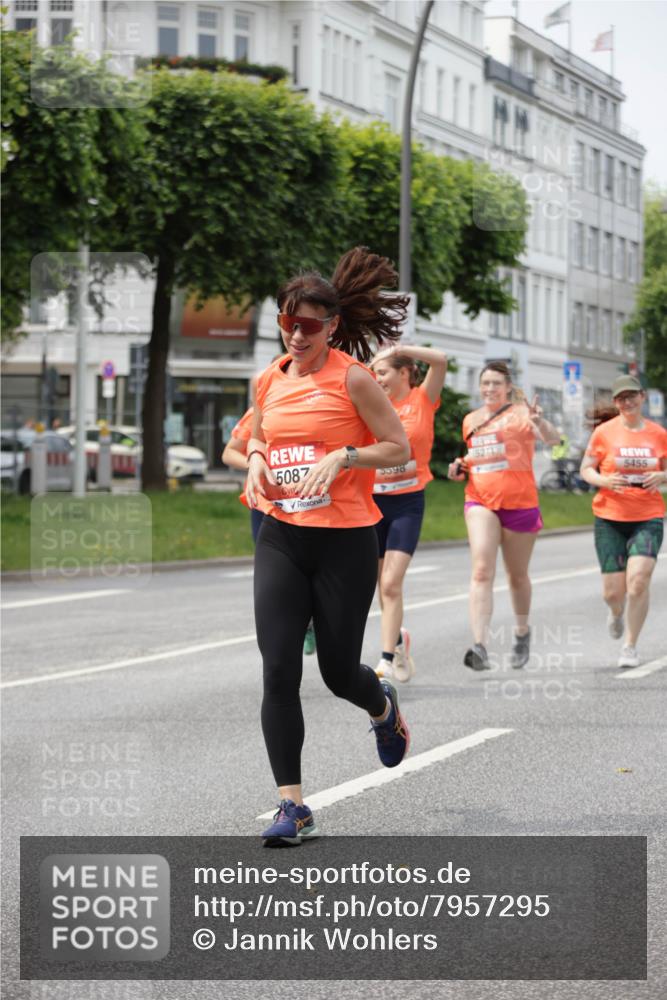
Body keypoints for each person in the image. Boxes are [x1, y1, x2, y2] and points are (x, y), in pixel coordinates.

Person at [244, 246, 412, 846]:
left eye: (308, 325)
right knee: (279, 669)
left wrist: (345, 455)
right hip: (282, 535)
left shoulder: (353, 378)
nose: (295, 334)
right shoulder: (270, 378)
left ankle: (382, 707)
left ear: (331, 326)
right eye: (287, 323)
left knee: (339, 672)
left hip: (343, 540)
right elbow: (251, 439)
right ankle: (292, 806)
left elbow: (399, 448)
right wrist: (257, 458)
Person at [448, 361, 560, 671]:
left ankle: (522, 633)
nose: (489, 389)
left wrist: (540, 421)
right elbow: (476, 457)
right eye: (485, 383)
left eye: (496, 383)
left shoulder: (523, 414)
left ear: (508, 387)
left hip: (520, 504)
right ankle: (480, 645)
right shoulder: (471, 420)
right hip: (480, 500)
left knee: (517, 575)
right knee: (482, 570)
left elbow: (554, 442)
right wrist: (460, 467)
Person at [370, 344, 447, 682]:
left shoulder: (422, 398)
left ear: (404, 372)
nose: (377, 379)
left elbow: (440, 360)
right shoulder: (372, 405)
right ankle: (398, 641)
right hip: (372, 503)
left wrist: (397, 348)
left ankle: (386, 658)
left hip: (407, 503)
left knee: (390, 583)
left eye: (383, 372)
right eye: (374, 373)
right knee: (380, 586)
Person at [579, 374, 667, 668]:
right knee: (613, 592)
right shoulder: (604, 433)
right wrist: (604, 480)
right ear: (615, 403)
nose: (627, 402)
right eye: (620, 398)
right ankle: (616, 613)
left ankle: (630, 646)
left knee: (639, 582)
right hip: (610, 517)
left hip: (649, 516)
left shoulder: (658, 434)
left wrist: (663, 476)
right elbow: (586, 469)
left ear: (642, 397)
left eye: (631, 396)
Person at [223, 395, 317, 656]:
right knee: (279, 576)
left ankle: (312, 615)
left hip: (309, 504)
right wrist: (256, 463)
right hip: (266, 502)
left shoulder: (316, 408)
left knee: (309, 568)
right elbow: (229, 452)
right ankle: (299, 627)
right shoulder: (261, 409)